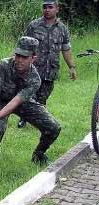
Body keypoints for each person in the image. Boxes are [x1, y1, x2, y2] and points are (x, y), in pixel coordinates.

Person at [0, 36, 61, 172]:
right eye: (18, 55)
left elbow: (17, 101)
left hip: (23, 103)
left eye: (24, 57)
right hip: (2, 101)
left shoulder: (35, 79)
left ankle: (38, 155)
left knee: (53, 127)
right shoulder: (4, 64)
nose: (19, 60)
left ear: (33, 58)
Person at [17, 0, 77, 128]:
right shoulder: (34, 26)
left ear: (57, 9)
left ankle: (39, 120)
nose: (47, 10)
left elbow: (66, 49)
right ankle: (24, 118)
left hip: (51, 70)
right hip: (34, 68)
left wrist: (72, 67)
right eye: (45, 7)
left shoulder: (62, 29)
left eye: (50, 7)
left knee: (42, 98)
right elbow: (23, 45)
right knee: (29, 94)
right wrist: (18, 63)